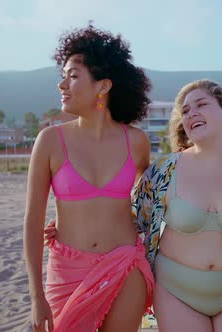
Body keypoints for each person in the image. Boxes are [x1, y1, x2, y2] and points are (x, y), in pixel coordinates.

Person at [23, 25, 154, 332]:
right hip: (67, 270)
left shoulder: (136, 141)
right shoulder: (50, 141)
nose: (61, 85)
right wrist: (35, 295)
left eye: (73, 75)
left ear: (103, 86)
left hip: (125, 266)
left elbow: (149, 201)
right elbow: (32, 220)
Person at [132, 79, 222, 332]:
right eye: (186, 111)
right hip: (175, 292)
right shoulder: (164, 170)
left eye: (201, 104)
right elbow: (132, 218)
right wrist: (72, 224)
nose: (191, 113)